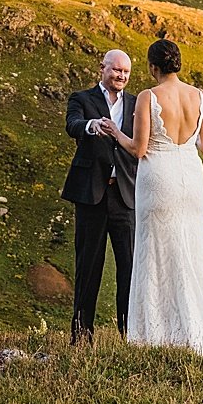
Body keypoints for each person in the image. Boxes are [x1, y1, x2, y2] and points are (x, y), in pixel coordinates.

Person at [103, 38, 203, 364]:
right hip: (190, 178)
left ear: (153, 67)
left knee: (154, 252)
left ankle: (154, 334)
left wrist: (116, 133)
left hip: (158, 178)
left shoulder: (148, 96)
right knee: (187, 249)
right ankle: (192, 331)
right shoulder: (201, 97)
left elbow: (139, 148)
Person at [61, 49, 136, 343]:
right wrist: (91, 127)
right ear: (102, 69)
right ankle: (81, 336)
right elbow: (72, 125)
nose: (121, 76)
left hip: (126, 197)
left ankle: (130, 335)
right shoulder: (81, 99)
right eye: (116, 70)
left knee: (129, 270)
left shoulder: (135, 103)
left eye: (126, 72)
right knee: (88, 268)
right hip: (91, 195)